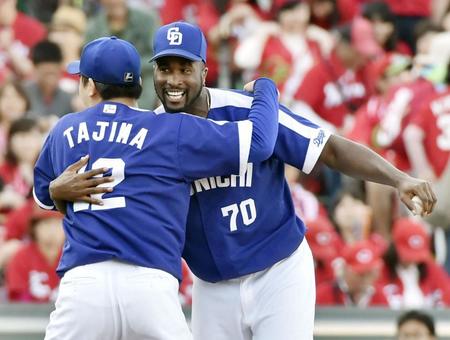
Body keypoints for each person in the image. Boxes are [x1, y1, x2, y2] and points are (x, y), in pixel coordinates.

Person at [49, 22, 436, 340]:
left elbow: (329, 150)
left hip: (278, 269)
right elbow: (110, 191)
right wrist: (54, 191)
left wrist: (398, 178)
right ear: (153, 72)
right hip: (212, 284)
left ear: (204, 70)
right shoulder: (148, 133)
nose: (174, 80)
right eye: (165, 68)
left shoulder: (246, 110)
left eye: (185, 68)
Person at [33, 35, 280, 340]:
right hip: (149, 284)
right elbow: (260, 143)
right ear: (138, 83)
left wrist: (57, 190)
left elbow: (42, 197)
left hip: (83, 284)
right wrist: (266, 88)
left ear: (90, 86)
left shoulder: (65, 128)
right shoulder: (170, 128)